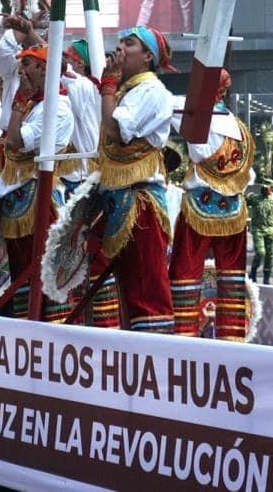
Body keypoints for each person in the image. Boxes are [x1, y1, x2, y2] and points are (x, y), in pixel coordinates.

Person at [97, 25, 176, 333]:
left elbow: (116, 132)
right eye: (120, 41)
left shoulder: (152, 91)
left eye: (129, 43)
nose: (120, 48)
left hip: (140, 202)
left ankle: (156, 366)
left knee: (146, 290)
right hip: (118, 196)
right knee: (127, 291)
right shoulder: (125, 91)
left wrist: (107, 85)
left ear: (147, 57)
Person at [169, 69, 256, 339]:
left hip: (199, 207)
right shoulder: (240, 128)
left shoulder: (198, 119)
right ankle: (233, 340)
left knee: (184, 276)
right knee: (232, 279)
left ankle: (183, 339)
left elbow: (168, 107)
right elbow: (249, 174)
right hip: (233, 209)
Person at [0, 44, 75, 321]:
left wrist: (19, 101)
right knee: (22, 272)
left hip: (41, 200)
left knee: (43, 270)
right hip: (20, 196)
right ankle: (25, 332)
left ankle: (53, 333)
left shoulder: (57, 107)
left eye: (27, 63)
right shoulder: (35, 104)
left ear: (43, 69)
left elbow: (14, 140)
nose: (21, 69)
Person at [61, 39, 101, 193]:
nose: (64, 61)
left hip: (80, 175)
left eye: (67, 57)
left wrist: (31, 34)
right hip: (68, 171)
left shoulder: (83, 84)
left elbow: (61, 71)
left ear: (80, 64)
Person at [246, 180, 273, 285]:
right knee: (260, 252)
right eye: (263, 187)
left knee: (270, 255)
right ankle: (253, 272)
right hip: (257, 229)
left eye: (267, 188)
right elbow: (243, 202)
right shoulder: (254, 198)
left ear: (271, 189)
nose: (264, 189)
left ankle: (266, 278)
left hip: (270, 231)